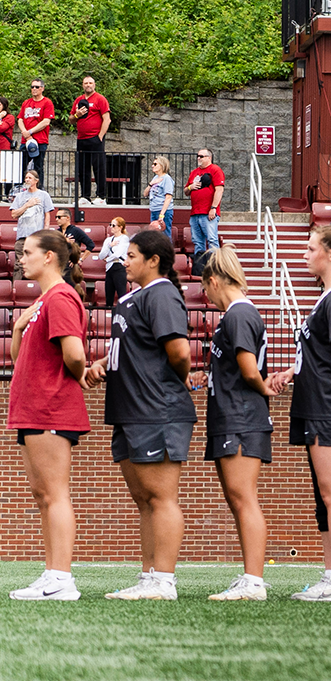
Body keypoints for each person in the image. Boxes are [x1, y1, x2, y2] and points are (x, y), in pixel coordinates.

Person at [84, 229, 193, 600]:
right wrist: (103, 363)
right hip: (129, 410)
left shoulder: (162, 293)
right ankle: (149, 577)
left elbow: (180, 353)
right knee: (144, 499)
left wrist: (169, 383)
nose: (124, 261)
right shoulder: (133, 298)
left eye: (131, 256)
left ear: (153, 260)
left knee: (161, 497)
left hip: (156, 409)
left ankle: (164, 581)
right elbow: (134, 347)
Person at [263, 224, 331, 602]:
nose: (305, 255)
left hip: (330, 406)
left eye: (311, 249)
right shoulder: (327, 297)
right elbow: (321, 351)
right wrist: (293, 371)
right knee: (324, 497)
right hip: (317, 404)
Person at [6, 231, 90, 602]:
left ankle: (62, 578)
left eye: (27, 252)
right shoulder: (43, 300)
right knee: (43, 495)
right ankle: (52, 572)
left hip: (50, 406)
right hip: (33, 408)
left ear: (49, 257)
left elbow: (74, 354)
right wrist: (18, 327)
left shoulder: (61, 297)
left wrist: (77, 376)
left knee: (55, 494)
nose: (20, 258)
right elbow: (20, 358)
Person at [192, 246, 277, 601]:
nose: (205, 296)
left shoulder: (239, 314)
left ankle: (254, 581)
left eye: (205, 288)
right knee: (237, 498)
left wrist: (264, 387)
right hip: (231, 415)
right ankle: (249, 576)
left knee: (243, 498)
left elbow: (249, 370)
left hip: (241, 417)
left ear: (214, 281)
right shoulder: (235, 315)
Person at [69, 75, 110, 207]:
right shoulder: (78, 100)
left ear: (94, 85)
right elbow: (71, 119)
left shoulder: (100, 99)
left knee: (99, 168)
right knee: (83, 169)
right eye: (86, 83)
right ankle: (85, 196)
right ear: (82, 85)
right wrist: (77, 115)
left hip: (95, 138)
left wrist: (100, 136)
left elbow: (107, 119)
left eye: (90, 83)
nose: (88, 85)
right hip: (81, 138)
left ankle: (101, 196)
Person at [184, 148, 224, 264]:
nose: (198, 158)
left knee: (212, 240)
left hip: (208, 212)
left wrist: (213, 208)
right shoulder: (194, 172)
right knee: (197, 242)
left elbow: (219, 190)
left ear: (209, 158)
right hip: (195, 213)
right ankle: (200, 267)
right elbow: (186, 191)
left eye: (201, 156)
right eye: (198, 156)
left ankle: (214, 265)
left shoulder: (215, 170)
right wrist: (191, 187)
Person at [18, 78, 54, 183]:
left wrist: (30, 132)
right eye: (32, 87)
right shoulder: (26, 103)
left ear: (42, 88)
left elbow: (46, 121)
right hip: (25, 141)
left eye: (37, 87)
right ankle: (19, 187)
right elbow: (20, 119)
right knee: (20, 166)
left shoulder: (47, 102)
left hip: (40, 140)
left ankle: (39, 188)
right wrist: (25, 132)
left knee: (38, 167)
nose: (34, 89)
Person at [10, 168, 50, 238]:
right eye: (26, 178)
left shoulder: (44, 195)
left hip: (37, 235)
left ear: (36, 181)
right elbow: (13, 214)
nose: (27, 180)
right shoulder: (19, 196)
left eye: (30, 178)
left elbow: (47, 215)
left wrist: (45, 232)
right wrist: (27, 205)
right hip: (22, 235)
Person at [101, 216, 131, 305]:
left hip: (120, 266)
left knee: (121, 292)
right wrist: (109, 246)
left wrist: (107, 259)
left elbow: (118, 254)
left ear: (120, 227)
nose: (111, 227)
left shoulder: (124, 238)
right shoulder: (108, 240)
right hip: (110, 267)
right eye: (110, 225)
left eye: (113, 225)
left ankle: (122, 311)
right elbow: (101, 255)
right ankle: (108, 310)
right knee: (109, 293)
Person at [147, 156, 175, 235]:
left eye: (155, 164)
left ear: (162, 165)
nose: (152, 166)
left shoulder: (167, 178)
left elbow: (168, 197)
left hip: (163, 211)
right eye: (153, 164)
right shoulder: (155, 178)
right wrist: (151, 184)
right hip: (154, 209)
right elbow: (145, 193)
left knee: (164, 235)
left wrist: (162, 214)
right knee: (154, 235)